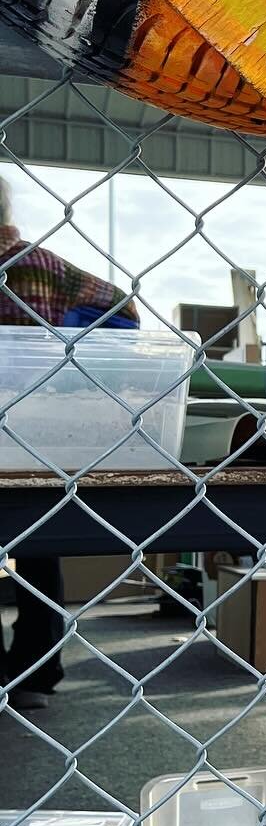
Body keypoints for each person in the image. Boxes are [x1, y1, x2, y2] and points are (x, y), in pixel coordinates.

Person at [0, 176, 136, 709]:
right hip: (44, 436)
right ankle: (35, 672)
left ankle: (26, 674)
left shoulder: (26, 266)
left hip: (26, 429)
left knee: (34, 549)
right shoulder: (42, 263)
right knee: (38, 550)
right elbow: (121, 307)